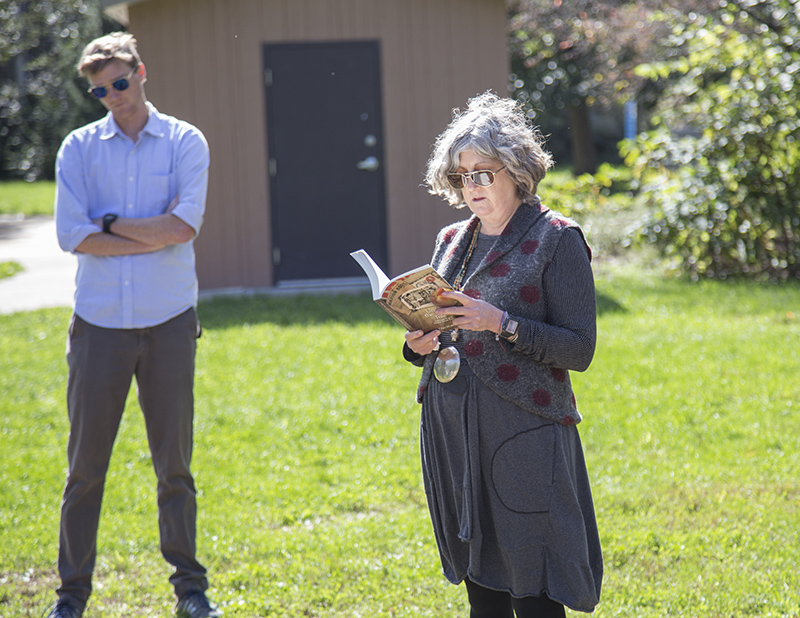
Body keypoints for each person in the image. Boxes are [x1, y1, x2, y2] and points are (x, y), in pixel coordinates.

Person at [403, 92, 603, 617]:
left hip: (524, 434)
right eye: (461, 176)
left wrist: (502, 324)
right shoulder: (451, 239)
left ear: (516, 170)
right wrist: (416, 342)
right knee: (482, 588)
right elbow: (445, 324)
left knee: (534, 591)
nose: (471, 187)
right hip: (454, 432)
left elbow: (580, 349)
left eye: (482, 174)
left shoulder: (557, 239)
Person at [49, 32, 221, 618]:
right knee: (84, 469)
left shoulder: (183, 141)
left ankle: (190, 591)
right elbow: (73, 236)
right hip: (98, 326)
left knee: (174, 466)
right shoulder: (77, 148)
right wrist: (142, 230)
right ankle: (70, 597)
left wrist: (112, 224)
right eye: (100, 91)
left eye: (121, 83)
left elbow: (182, 229)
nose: (113, 97)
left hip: (170, 321)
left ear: (141, 73)